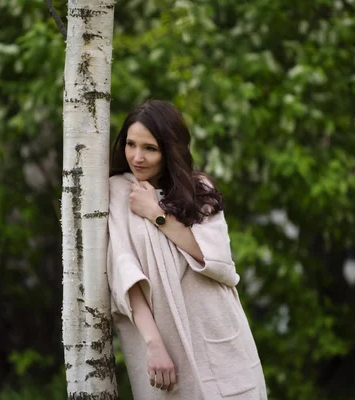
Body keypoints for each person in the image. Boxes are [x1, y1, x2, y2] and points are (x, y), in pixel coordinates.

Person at [107, 100, 268, 399]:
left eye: (150, 148)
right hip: (162, 343)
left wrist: (156, 213)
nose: (137, 157)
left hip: (219, 334)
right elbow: (123, 271)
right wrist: (153, 343)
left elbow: (215, 261)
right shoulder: (117, 192)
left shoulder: (199, 189)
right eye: (130, 144)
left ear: (170, 150)